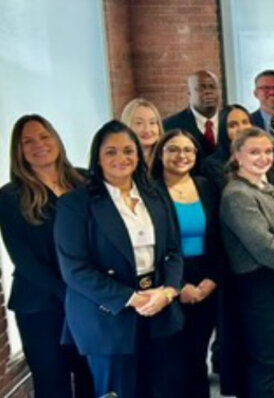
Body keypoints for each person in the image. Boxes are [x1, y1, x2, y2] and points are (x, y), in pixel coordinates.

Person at [55, 120, 184, 397]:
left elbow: (173, 250)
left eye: (128, 151)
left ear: (138, 155)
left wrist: (169, 291)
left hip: (159, 310)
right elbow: (75, 269)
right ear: (98, 159)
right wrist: (132, 298)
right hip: (108, 317)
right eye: (111, 152)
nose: (121, 158)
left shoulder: (156, 195)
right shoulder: (76, 203)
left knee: (162, 390)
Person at [0, 115, 93, 397]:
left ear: (55, 139)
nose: (38, 145)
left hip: (87, 299)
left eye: (44, 136)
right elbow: (23, 259)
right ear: (19, 151)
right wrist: (69, 291)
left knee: (92, 376)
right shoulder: (9, 196)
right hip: (40, 305)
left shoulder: (85, 180)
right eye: (28, 141)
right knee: (53, 383)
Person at [219, 127, 274, 395]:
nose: (263, 157)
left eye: (268, 151)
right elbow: (262, 245)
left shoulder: (267, 187)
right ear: (237, 156)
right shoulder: (237, 194)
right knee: (264, 354)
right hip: (258, 283)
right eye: (254, 152)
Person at [151, 130, 225, 396]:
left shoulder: (206, 186)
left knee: (197, 355)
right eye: (173, 149)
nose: (181, 155)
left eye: (188, 150)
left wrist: (212, 280)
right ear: (160, 154)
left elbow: (218, 237)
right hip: (166, 280)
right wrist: (177, 286)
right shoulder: (150, 190)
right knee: (171, 360)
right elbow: (151, 247)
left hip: (205, 278)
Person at [164, 70, 223, 158]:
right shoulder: (170, 126)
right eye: (201, 88)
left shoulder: (231, 121)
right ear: (189, 93)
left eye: (213, 87)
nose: (208, 92)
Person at [121, 98, 165, 167]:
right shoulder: (120, 164)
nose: (147, 130)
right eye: (139, 123)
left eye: (152, 123)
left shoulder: (168, 162)